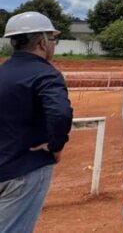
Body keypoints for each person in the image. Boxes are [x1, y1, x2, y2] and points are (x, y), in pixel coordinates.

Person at [0, 12, 73, 233]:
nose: (54, 45)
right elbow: (60, 113)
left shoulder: (3, 72)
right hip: (25, 169)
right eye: (53, 39)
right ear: (42, 42)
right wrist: (55, 145)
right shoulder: (45, 74)